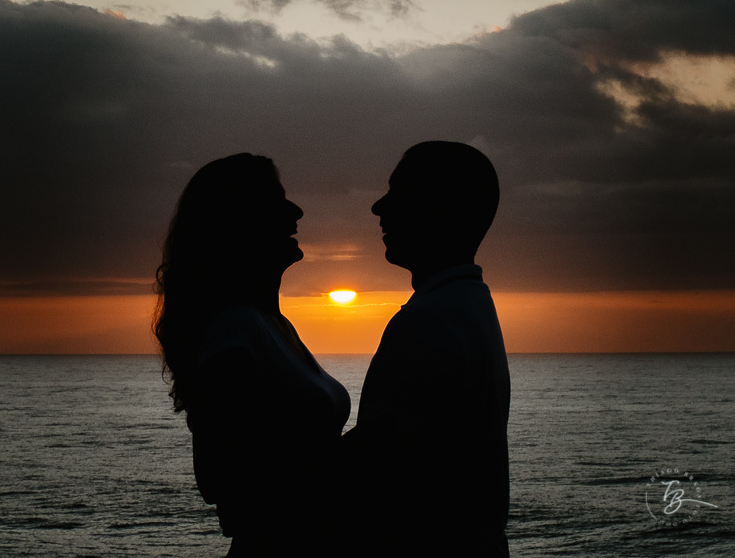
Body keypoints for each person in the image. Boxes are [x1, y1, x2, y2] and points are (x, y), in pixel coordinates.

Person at [154, 153, 350, 557]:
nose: (296, 212)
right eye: (277, 202)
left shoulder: (272, 325)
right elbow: (219, 475)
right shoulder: (236, 330)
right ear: (240, 224)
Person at [344, 140, 510, 558]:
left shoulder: (427, 320)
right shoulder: (470, 305)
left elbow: (379, 467)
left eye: (398, 193)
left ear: (438, 208)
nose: (378, 208)